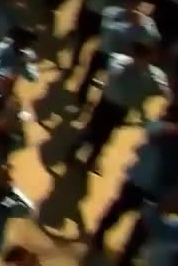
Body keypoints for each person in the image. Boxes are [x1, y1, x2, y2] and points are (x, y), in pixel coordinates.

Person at [89, 105, 178, 262]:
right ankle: (100, 234)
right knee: (119, 209)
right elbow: (152, 130)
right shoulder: (162, 128)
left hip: (160, 190)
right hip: (140, 180)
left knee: (144, 227)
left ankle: (127, 257)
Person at [72, 40, 170, 172]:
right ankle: (73, 152)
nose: (140, 60)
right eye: (139, 56)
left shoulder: (154, 76)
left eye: (144, 57)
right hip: (106, 104)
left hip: (121, 110)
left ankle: (91, 160)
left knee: (105, 136)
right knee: (92, 131)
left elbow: (165, 92)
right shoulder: (118, 63)